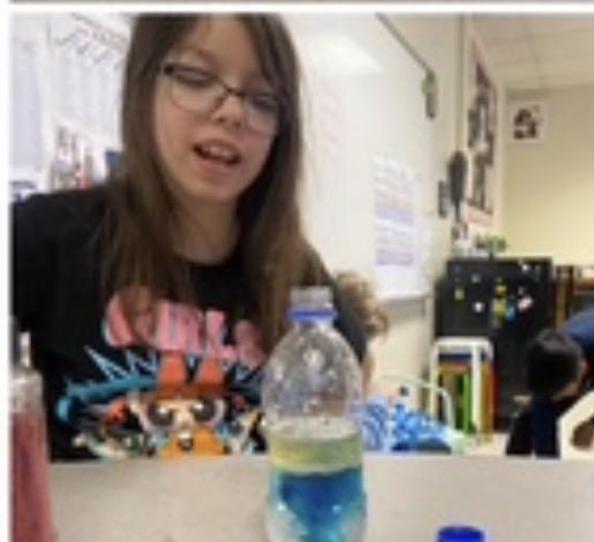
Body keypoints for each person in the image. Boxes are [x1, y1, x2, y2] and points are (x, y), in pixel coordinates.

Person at [11, 15, 366, 460]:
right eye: (197, 78)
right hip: (93, 529)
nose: (233, 112)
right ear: (144, 88)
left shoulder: (292, 267)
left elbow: (353, 365)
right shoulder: (53, 235)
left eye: (263, 99)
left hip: (245, 528)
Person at [506, 307, 594, 459]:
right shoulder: (549, 360)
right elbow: (544, 424)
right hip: (584, 327)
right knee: (531, 416)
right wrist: (549, 470)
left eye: (560, 393)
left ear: (583, 370)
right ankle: (509, 470)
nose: (556, 400)